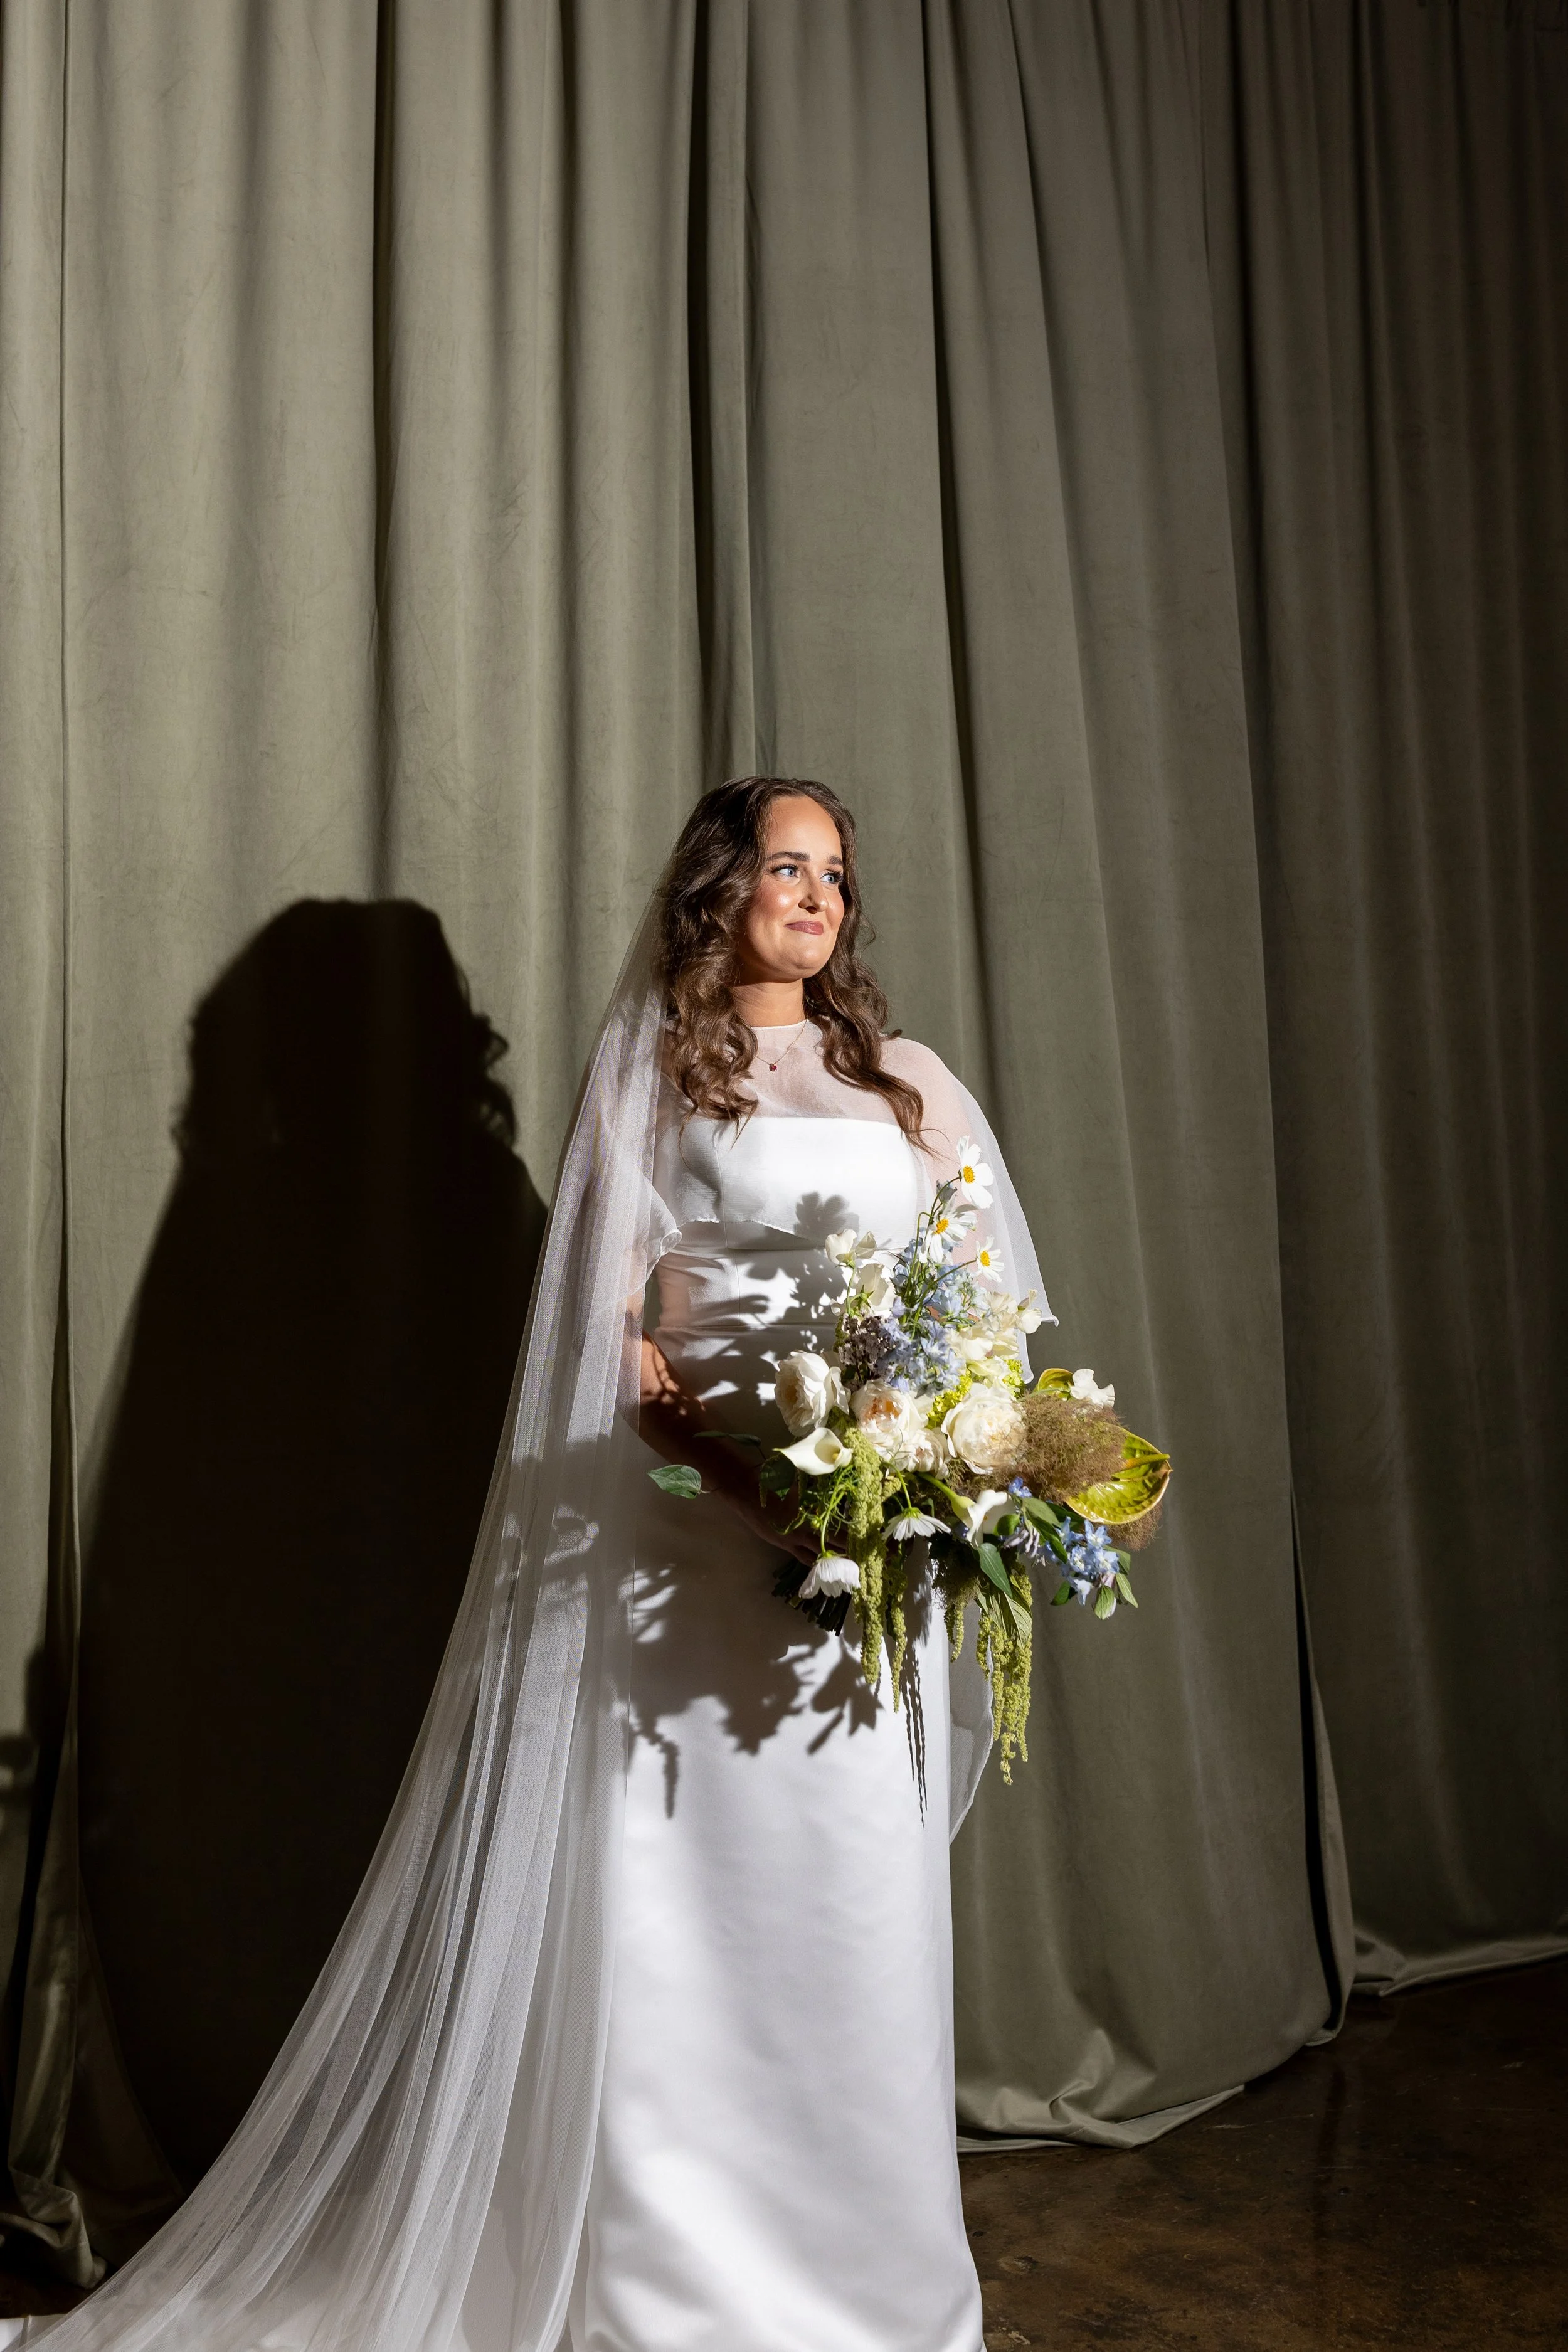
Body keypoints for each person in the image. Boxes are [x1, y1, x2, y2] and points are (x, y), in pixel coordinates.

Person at [8, 780, 1047, 2352]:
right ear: (719, 890)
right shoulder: (656, 1076)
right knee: (692, 1926)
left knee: (854, 1926)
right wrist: (759, 1491)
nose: (815, 894)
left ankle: (872, 2296)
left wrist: (964, 1485)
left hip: (869, 1589)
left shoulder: (908, 1087)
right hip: (697, 1570)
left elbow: (987, 1321)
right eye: (782, 865)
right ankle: (669, 2294)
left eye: (834, 870)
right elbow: (615, 1356)